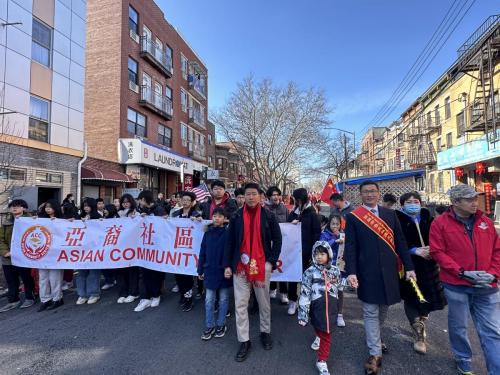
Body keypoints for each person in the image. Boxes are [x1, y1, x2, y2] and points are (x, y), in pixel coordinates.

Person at [344, 180, 415, 375]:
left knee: (384, 307)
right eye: (365, 192)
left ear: (378, 193)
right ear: (361, 195)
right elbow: (350, 246)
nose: (369, 195)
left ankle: (375, 338)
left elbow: (400, 241)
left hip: (390, 271)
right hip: (367, 272)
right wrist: (351, 271)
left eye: (373, 191)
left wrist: (409, 267)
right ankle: (374, 353)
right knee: (370, 311)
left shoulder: (390, 214)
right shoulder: (354, 217)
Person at [429, 184, 500, 375]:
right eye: (469, 199)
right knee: (459, 326)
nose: (474, 203)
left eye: (475, 199)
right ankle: (463, 358)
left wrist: (494, 273)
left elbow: (497, 250)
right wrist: (461, 272)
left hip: (487, 285)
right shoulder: (440, 223)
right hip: (457, 285)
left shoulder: (485, 222)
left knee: (493, 331)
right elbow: (437, 252)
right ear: (455, 202)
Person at [223, 182, 282, 362]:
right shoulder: (236, 216)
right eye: (247, 194)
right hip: (240, 266)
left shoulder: (268, 215)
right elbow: (230, 242)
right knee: (241, 304)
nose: (250, 197)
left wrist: (270, 262)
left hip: (261, 265)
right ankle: (244, 340)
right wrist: (227, 265)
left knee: (263, 303)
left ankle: (265, 332)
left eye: (254, 194)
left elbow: (277, 239)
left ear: (260, 196)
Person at [395, 192, 446, 355]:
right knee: (412, 298)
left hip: (430, 264)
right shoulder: (397, 219)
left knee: (429, 298)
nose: (413, 204)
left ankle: (422, 320)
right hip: (409, 264)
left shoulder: (427, 217)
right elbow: (395, 241)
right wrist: (414, 250)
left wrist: (433, 249)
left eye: (416, 201)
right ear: (402, 204)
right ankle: (418, 334)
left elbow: (439, 236)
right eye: (408, 202)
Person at [298, 241, 341, 375]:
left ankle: (321, 361)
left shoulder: (335, 270)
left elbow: (339, 284)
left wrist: (350, 282)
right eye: (316, 254)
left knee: (326, 334)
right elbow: (304, 293)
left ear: (329, 254)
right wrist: (303, 315)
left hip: (332, 308)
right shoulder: (309, 272)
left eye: (322, 254)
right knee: (318, 326)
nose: (319, 256)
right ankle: (318, 336)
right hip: (316, 308)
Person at [198, 207, 232, 340]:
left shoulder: (228, 233)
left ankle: (221, 324)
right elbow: (202, 252)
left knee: (223, 300)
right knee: (209, 300)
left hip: (224, 271)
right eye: (215, 216)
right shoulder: (207, 233)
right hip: (209, 270)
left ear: (224, 219)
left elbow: (230, 252)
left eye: (220, 216)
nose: (217, 218)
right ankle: (209, 325)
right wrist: (200, 269)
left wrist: (229, 268)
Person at [287, 188, 321, 315]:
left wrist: (314, 252)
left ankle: (305, 302)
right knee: (292, 277)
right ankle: (292, 301)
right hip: (293, 251)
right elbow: (287, 228)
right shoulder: (294, 212)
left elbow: (316, 233)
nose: (295, 201)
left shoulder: (312, 213)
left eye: (296, 199)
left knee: (306, 278)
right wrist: (292, 224)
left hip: (306, 251)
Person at [133, 190, 167, 312]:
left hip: (156, 247)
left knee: (155, 273)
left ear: (144, 199)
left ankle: (156, 295)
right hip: (144, 247)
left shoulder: (159, 209)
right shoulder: (141, 211)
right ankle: (144, 298)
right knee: (144, 273)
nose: (139, 202)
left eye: (140, 199)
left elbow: (164, 225)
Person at [0, 199, 36, 312]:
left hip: (24, 257)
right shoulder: (6, 223)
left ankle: (30, 297)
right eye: (12, 207)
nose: (14, 208)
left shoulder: (31, 220)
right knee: (11, 280)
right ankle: (13, 300)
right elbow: (0, 239)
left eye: (18, 206)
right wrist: (5, 252)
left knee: (26, 278)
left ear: (24, 208)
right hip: (8, 257)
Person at [172, 191, 202, 311]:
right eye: (183, 199)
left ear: (192, 202)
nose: (185, 202)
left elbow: (201, 227)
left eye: (188, 200)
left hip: (190, 250)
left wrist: (198, 220)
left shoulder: (196, 214)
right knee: (178, 274)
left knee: (187, 275)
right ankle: (183, 294)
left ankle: (189, 298)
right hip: (177, 249)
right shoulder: (175, 214)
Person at [37, 199, 66, 311]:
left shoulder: (62, 219)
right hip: (42, 252)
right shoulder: (41, 219)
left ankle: (57, 298)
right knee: (43, 278)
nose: (48, 209)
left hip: (55, 253)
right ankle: (45, 300)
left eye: (50, 207)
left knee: (55, 278)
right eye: (46, 207)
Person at [320, 215, 346, 327]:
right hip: (327, 267)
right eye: (333, 224)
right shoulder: (324, 234)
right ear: (329, 224)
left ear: (340, 225)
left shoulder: (344, 235)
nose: (335, 226)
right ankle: (327, 314)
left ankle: (340, 314)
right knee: (326, 290)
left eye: (337, 224)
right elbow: (322, 247)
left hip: (340, 267)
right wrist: (335, 240)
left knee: (340, 290)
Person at [265, 186, 289, 305]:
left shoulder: (284, 208)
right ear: (269, 196)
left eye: (277, 194)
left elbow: (288, 223)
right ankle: (272, 288)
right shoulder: (264, 208)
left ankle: (284, 293)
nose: (275, 197)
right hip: (269, 241)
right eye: (273, 195)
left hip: (282, 241)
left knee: (283, 265)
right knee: (272, 264)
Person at [75, 198, 102, 305]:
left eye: (88, 205)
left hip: (94, 249)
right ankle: (82, 294)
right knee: (81, 273)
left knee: (93, 272)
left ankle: (94, 293)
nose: (86, 207)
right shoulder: (78, 217)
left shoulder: (98, 217)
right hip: (81, 249)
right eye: (84, 205)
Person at [116, 194, 140, 304]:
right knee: (120, 270)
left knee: (132, 271)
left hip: (132, 247)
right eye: (123, 202)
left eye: (127, 202)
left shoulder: (136, 213)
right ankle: (122, 293)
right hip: (119, 247)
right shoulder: (117, 214)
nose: (125, 204)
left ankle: (133, 293)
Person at [101, 204, 119, 291]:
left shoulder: (117, 218)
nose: (104, 211)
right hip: (105, 245)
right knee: (105, 264)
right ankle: (109, 281)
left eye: (105, 209)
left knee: (114, 265)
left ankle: (114, 279)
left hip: (115, 245)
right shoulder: (104, 218)